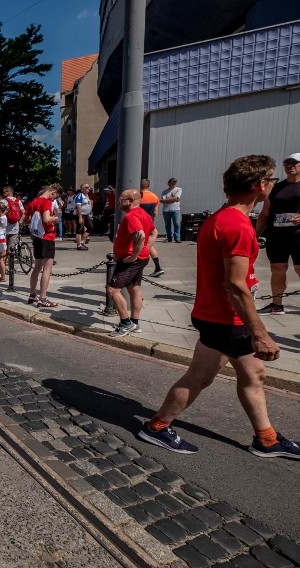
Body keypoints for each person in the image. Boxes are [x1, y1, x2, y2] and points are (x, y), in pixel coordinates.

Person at [138, 155, 300, 459]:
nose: (272, 185)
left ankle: (266, 439)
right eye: (271, 179)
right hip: (227, 318)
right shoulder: (236, 225)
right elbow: (235, 285)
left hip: (218, 315)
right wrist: (260, 332)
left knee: (253, 374)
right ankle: (157, 426)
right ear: (258, 185)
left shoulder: (222, 217)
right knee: (200, 377)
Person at [107, 189, 157, 337]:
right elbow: (154, 232)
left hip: (130, 260)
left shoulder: (131, 216)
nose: (118, 202)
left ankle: (126, 323)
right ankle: (135, 323)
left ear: (130, 201)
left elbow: (140, 235)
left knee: (112, 290)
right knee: (134, 288)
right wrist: (146, 250)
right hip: (140, 259)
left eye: (121, 199)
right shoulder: (144, 215)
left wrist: (134, 255)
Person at [256, 152, 300, 316]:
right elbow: (265, 213)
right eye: (287, 163)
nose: (290, 166)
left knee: (299, 268)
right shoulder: (276, 188)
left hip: (298, 236)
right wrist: (254, 235)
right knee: (277, 268)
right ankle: (276, 304)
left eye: (294, 163)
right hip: (278, 236)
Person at [23, 184, 61, 308]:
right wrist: (55, 219)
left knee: (37, 267)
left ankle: (32, 294)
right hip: (47, 237)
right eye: (55, 197)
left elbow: (23, 220)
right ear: (53, 192)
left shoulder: (34, 202)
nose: (53, 200)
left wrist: (33, 221)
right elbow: (46, 219)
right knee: (47, 267)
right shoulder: (47, 202)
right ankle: (43, 298)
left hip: (37, 237)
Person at [139, 179, 165, 277]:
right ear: (148, 185)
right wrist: (152, 223)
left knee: (140, 245)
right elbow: (155, 212)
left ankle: (138, 268)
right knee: (150, 245)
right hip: (149, 223)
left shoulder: (139, 196)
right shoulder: (154, 197)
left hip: (140, 223)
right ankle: (158, 267)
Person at [160, 177, 183, 243]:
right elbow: (162, 201)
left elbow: (176, 198)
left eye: (174, 182)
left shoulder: (179, 189)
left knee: (177, 224)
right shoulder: (164, 192)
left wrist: (167, 200)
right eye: (172, 182)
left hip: (175, 209)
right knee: (167, 224)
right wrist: (173, 199)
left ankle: (177, 238)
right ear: (169, 183)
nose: (173, 184)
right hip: (166, 210)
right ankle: (169, 237)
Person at [2, 186, 23, 250]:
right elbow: (23, 212)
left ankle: (5, 259)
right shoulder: (18, 201)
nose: (3, 194)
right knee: (11, 248)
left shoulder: (3, 201)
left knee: (4, 248)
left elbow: (0, 214)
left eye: (4, 192)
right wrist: (20, 221)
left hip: (5, 227)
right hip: (15, 227)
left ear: (8, 192)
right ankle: (11, 258)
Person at [74, 184, 93, 251]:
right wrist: (80, 217)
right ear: (82, 189)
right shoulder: (79, 196)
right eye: (87, 187)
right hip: (81, 214)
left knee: (90, 227)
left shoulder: (87, 196)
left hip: (87, 215)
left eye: (89, 187)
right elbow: (78, 207)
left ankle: (82, 241)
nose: (89, 188)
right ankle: (79, 245)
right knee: (80, 230)